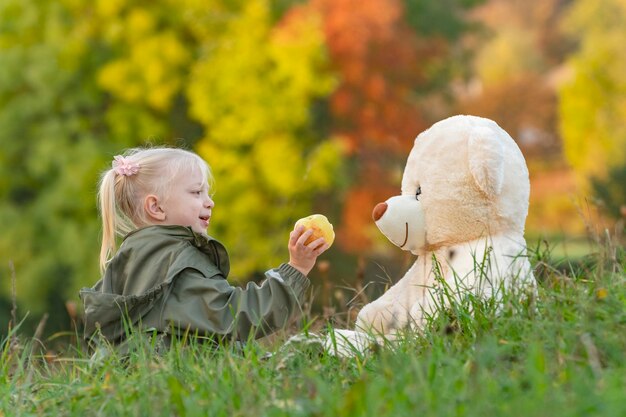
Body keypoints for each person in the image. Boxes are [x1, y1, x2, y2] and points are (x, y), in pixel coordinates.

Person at [79, 147, 329, 348]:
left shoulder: (133, 256)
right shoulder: (177, 264)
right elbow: (234, 317)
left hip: (150, 382)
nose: (209, 202)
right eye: (197, 192)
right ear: (155, 207)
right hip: (179, 383)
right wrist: (296, 269)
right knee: (312, 350)